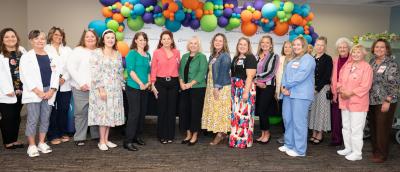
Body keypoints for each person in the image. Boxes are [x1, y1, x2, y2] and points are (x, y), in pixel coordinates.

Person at [20, 30, 60, 157]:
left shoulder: (51, 55)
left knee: (45, 118)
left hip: (49, 91)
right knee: (32, 119)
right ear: (31, 41)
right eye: (36, 39)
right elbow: (24, 76)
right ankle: (31, 145)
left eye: (42, 38)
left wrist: (52, 90)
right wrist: (38, 92)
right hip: (34, 92)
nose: (40, 41)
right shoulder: (26, 57)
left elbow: (56, 74)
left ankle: (41, 142)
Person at [278, 36, 315, 157]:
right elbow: (285, 74)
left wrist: (287, 86)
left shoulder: (308, 59)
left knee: (299, 122)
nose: (296, 47)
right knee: (288, 119)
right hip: (288, 94)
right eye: (294, 45)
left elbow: (301, 75)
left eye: (299, 45)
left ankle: (300, 150)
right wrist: (283, 87)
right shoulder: (293, 59)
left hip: (301, 95)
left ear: (304, 46)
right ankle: (289, 144)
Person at [88, 29, 125, 151]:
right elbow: (95, 71)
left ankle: (107, 139)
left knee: (111, 115)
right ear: (103, 39)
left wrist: (122, 85)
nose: (110, 40)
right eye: (108, 37)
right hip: (102, 88)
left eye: (112, 38)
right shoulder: (97, 53)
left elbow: (120, 72)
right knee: (103, 115)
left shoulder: (117, 53)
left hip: (115, 89)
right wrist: (101, 89)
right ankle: (101, 141)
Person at [336, 44, 373, 161]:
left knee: (356, 129)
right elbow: (339, 80)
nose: (355, 54)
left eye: (358, 52)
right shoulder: (347, 65)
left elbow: (365, 86)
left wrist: (349, 93)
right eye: (354, 52)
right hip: (345, 101)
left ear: (364, 54)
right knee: (346, 127)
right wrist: (341, 89)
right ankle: (348, 148)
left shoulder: (367, 67)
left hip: (358, 103)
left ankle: (357, 153)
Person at [368, 39, 400, 163]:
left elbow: (395, 84)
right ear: (373, 49)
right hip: (372, 100)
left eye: (382, 47)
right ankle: (376, 150)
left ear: (387, 49)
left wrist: (388, 100)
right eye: (377, 47)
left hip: (385, 100)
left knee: (383, 128)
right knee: (374, 127)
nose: (379, 49)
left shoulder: (391, 63)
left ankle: (382, 154)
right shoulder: (371, 61)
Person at [67, 30, 99, 146]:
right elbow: (71, 68)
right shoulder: (78, 50)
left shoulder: (99, 51)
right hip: (81, 88)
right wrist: (81, 83)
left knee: (96, 112)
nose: (90, 38)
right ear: (83, 38)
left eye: (92, 36)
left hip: (96, 88)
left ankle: (96, 135)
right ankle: (80, 137)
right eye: (87, 37)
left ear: (96, 38)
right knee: (81, 112)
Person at [150, 30, 180, 144]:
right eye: (164, 39)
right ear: (161, 41)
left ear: (171, 40)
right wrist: (152, 84)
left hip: (173, 83)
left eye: (168, 38)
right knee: (162, 109)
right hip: (160, 83)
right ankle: (162, 135)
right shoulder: (157, 52)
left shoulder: (177, 52)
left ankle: (170, 135)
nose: (166, 41)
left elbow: (179, 68)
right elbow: (153, 68)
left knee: (171, 110)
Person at [202, 33, 231, 146]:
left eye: (220, 41)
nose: (218, 42)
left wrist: (217, 87)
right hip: (212, 85)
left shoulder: (225, 56)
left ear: (224, 43)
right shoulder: (213, 56)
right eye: (216, 40)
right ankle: (222, 133)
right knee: (215, 109)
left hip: (221, 87)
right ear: (213, 42)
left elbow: (223, 72)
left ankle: (221, 133)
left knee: (221, 111)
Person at [45, 26, 73, 145]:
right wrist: (56, 79)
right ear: (51, 35)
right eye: (56, 34)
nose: (58, 37)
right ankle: (52, 134)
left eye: (60, 35)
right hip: (51, 85)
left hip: (65, 84)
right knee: (51, 110)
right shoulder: (45, 49)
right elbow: (45, 68)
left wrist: (64, 78)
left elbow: (71, 66)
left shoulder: (68, 50)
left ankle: (63, 132)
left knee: (63, 109)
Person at [124, 32, 151, 151]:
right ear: (135, 40)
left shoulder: (148, 55)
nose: (142, 42)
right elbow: (130, 71)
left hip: (145, 88)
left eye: (144, 40)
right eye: (140, 40)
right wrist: (140, 83)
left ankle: (136, 137)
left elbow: (149, 71)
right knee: (134, 114)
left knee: (142, 114)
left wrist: (149, 83)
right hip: (134, 87)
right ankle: (128, 141)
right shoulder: (132, 53)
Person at [0, 28, 26, 149]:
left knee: (16, 116)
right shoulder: (0, 53)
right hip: (6, 92)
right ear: (2, 39)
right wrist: (7, 90)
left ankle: (14, 140)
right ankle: (8, 141)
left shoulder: (21, 51)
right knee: (7, 117)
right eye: (7, 37)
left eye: (13, 36)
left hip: (21, 90)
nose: (10, 39)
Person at [179, 36, 207, 146]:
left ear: (198, 45)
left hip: (197, 89)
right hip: (184, 88)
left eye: (195, 43)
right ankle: (188, 134)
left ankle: (195, 135)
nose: (193, 45)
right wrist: (181, 83)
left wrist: (190, 84)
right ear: (188, 45)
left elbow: (202, 72)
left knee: (195, 112)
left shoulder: (202, 57)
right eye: (191, 43)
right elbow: (180, 71)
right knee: (184, 111)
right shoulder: (185, 56)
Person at [229, 37, 257, 148]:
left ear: (248, 46)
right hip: (235, 89)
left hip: (245, 88)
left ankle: (244, 142)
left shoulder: (250, 58)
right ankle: (235, 140)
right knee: (236, 115)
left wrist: (245, 93)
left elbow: (250, 76)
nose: (242, 46)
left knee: (244, 116)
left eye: (244, 44)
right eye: (240, 44)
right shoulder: (236, 57)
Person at [254, 35, 279, 144]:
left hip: (268, 86)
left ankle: (267, 133)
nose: (265, 44)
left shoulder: (274, 56)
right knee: (259, 110)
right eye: (263, 42)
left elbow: (271, 72)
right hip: (257, 86)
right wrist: (256, 81)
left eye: (267, 42)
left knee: (263, 110)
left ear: (271, 45)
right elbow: (252, 70)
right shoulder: (256, 56)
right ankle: (263, 133)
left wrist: (255, 79)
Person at [308, 36, 333, 145]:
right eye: (318, 45)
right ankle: (314, 132)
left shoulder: (328, 59)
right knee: (313, 111)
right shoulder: (312, 58)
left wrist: (317, 88)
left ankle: (320, 134)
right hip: (311, 89)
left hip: (322, 89)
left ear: (325, 46)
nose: (319, 47)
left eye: (322, 45)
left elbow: (327, 76)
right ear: (315, 46)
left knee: (321, 112)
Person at [330, 37, 353, 146]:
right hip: (336, 93)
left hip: (348, 94)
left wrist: (344, 90)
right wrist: (334, 91)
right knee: (336, 118)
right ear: (337, 49)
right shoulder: (335, 60)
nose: (342, 49)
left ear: (349, 48)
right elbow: (333, 77)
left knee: (348, 119)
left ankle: (348, 142)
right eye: (340, 47)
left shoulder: (353, 60)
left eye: (344, 47)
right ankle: (336, 139)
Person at [275, 41, 293, 144]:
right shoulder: (280, 58)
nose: (287, 49)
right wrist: (276, 91)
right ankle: (285, 134)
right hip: (281, 90)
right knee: (284, 114)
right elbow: (277, 75)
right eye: (285, 47)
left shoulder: (296, 60)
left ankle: (290, 135)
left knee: (291, 115)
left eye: (289, 47)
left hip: (291, 91)